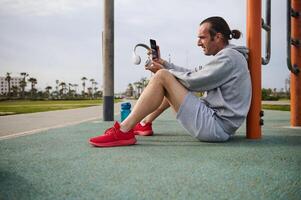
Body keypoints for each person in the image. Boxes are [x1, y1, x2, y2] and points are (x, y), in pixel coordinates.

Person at [89, 16, 252, 147]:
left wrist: (162, 71)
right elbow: (192, 73)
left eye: (202, 37)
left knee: (163, 77)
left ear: (218, 37)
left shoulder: (229, 58)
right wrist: (164, 64)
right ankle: (144, 123)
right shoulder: (226, 57)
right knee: (169, 78)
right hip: (217, 124)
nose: (198, 42)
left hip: (216, 127)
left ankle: (124, 130)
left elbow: (194, 82)